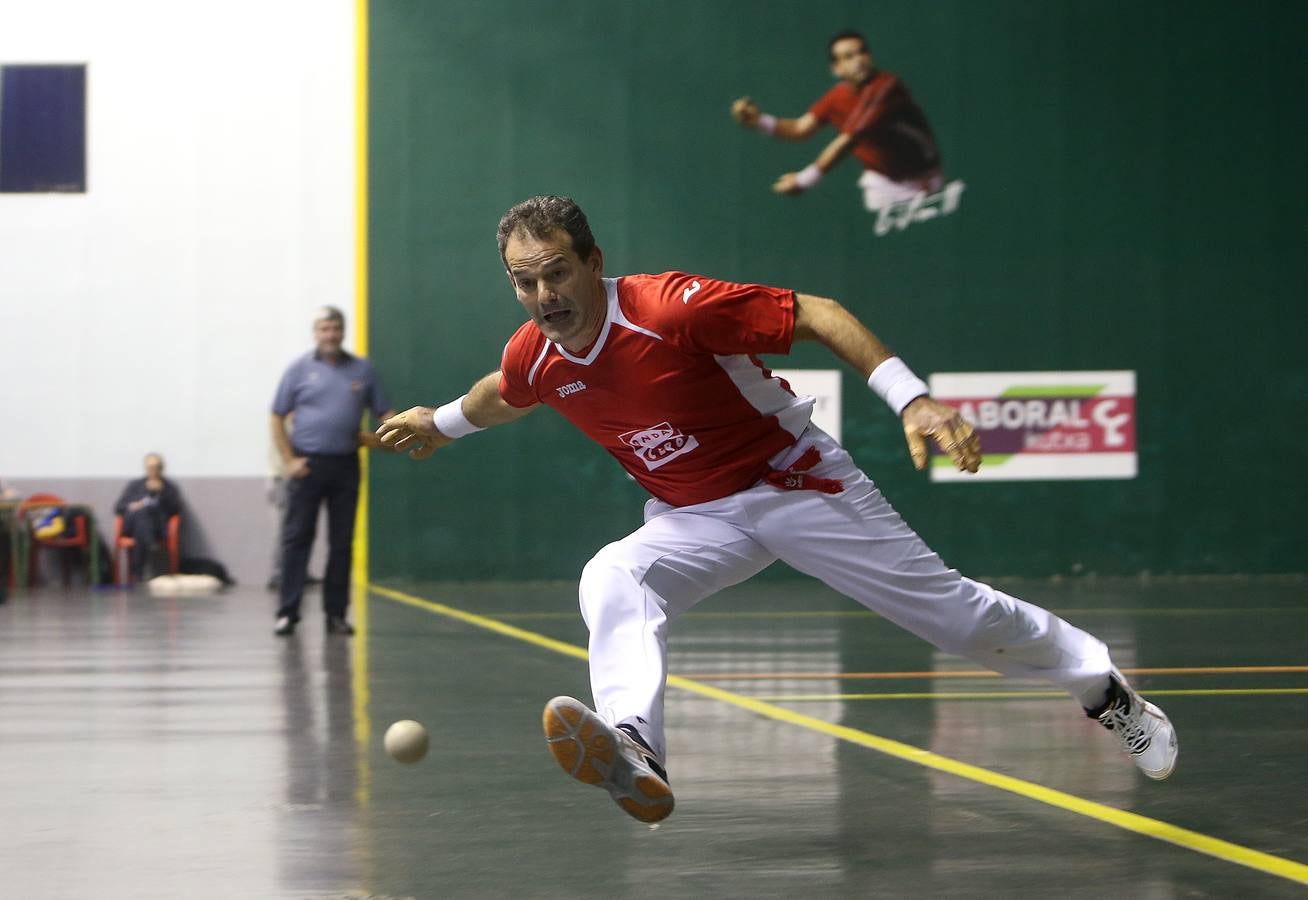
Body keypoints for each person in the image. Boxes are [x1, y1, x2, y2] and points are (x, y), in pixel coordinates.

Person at [377, 195, 1177, 824]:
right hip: (696, 517)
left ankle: (1102, 689)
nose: (544, 295)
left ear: (595, 261)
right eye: (525, 281)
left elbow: (819, 313)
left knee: (960, 621)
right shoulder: (537, 352)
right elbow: (505, 394)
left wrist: (913, 400)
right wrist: (438, 423)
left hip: (797, 484)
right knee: (614, 575)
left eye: (557, 272)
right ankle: (634, 746)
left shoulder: (671, 310)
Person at [731, 30, 962, 234]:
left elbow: (848, 141)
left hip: (923, 177)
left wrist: (804, 180)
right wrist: (758, 121)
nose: (859, 61)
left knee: (920, 241)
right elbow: (801, 129)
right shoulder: (837, 96)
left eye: (862, 53)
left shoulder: (885, 86)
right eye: (849, 57)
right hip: (882, 180)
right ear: (836, 68)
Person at [270, 306, 395, 637]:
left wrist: (396, 431)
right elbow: (276, 415)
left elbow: (385, 413)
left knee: (342, 542)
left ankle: (336, 614)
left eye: (336, 328)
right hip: (306, 466)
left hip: (345, 466)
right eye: (324, 328)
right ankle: (287, 613)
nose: (331, 334)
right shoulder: (298, 370)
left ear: (343, 331)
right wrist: (289, 460)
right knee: (297, 539)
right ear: (316, 332)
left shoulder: (362, 370)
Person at [113, 453, 183, 581]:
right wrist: (133, 505)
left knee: (145, 517)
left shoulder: (168, 487)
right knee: (142, 514)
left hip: (157, 528)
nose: (153, 471)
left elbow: (175, 509)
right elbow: (119, 507)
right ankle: (151, 547)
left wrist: (162, 494)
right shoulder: (135, 486)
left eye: (157, 467)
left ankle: (137, 571)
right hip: (132, 526)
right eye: (150, 467)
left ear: (162, 469)